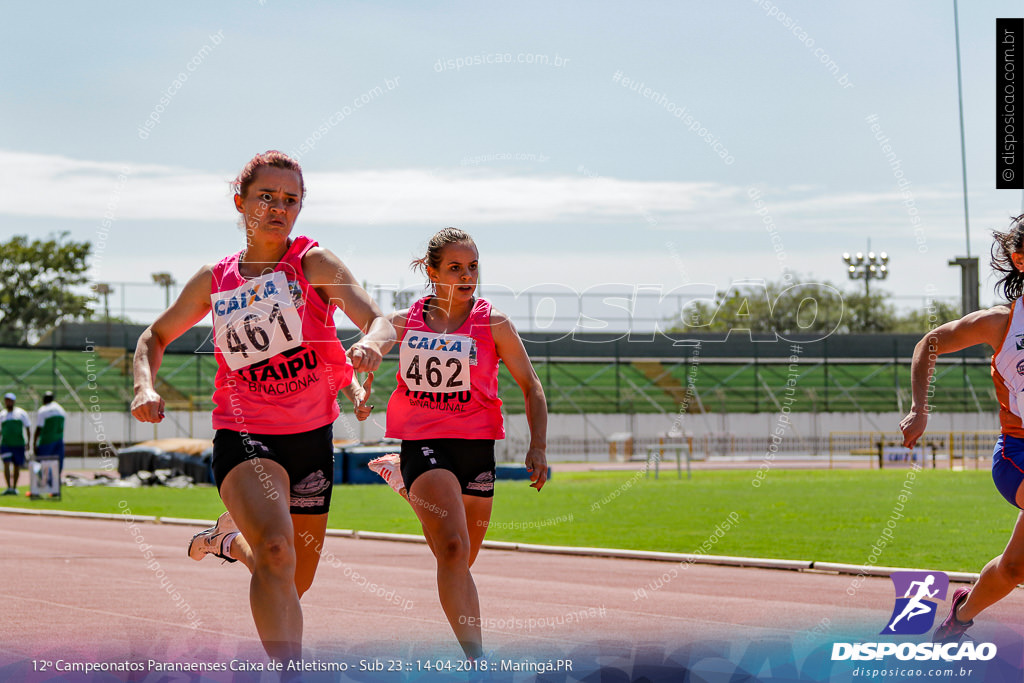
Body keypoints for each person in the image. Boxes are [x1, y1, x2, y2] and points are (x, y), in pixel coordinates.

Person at [130, 150, 394, 665]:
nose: (278, 208)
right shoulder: (216, 279)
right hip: (244, 433)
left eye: (290, 199)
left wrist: (373, 346)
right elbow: (154, 335)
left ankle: (227, 543)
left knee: (293, 580)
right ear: (240, 202)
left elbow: (378, 320)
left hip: (311, 437)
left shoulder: (314, 262)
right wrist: (144, 386)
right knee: (276, 551)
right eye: (265, 197)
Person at [383, 227, 548, 660]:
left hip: (476, 447)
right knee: (453, 548)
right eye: (455, 267)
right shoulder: (405, 321)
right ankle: (478, 662)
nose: (466, 275)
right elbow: (369, 345)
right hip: (423, 442)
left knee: (457, 560)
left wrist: (538, 447)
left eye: (473, 266)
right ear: (431, 270)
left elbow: (531, 387)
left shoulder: (493, 322)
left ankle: (403, 486)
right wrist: (362, 377)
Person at [901, 214, 1024, 642]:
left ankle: (959, 617)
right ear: (1020, 260)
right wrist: (920, 409)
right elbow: (928, 344)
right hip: (1018, 455)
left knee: (1012, 570)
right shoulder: (1000, 324)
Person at [1, 393, 31, 495]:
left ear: (14, 401)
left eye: (10, 400)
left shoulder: (21, 413)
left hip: (18, 444)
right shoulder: (2, 415)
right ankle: (8, 487)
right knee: (6, 464)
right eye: (6, 400)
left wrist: (28, 442)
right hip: (5, 444)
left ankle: (14, 488)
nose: (8, 402)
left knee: (17, 465)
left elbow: (27, 427)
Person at [34, 390, 66, 475]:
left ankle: (44, 484)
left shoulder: (43, 410)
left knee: (43, 464)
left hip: (46, 441)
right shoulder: (61, 409)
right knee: (58, 464)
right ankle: (56, 483)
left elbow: (39, 428)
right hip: (59, 441)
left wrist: (34, 443)